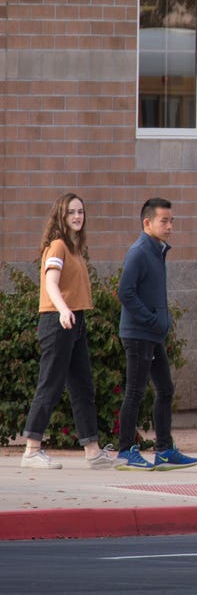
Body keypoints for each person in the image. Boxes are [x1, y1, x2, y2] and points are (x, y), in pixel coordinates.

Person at [21, 193, 116, 470]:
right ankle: (31, 449)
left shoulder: (74, 249)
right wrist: (63, 310)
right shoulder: (58, 246)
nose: (77, 216)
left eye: (81, 212)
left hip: (75, 320)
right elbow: (51, 283)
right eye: (71, 212)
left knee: (82, 386)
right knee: (50, 384)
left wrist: (72, 314)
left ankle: (92, 451)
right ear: (61, 216)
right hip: (58, 320)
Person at [112, 197, 197, 471]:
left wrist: (162, 321)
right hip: (139, 334)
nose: (170, 226)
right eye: (164, 220)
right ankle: (125, 450)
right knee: (135, 392)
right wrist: (151, 319)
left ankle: (164, 450)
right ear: (147, 222)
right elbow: (125, 292)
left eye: (172, 220)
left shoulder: (157, 250)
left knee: (165, 389)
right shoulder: (139, 251)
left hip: (152, 334)